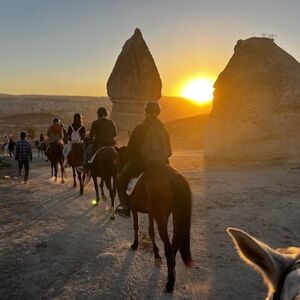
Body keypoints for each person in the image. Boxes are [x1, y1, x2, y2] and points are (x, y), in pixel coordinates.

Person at [116, 101, 172, 217]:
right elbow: (169, 152)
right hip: (162, 164)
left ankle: (125, 207)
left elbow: (131, 151)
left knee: (121, 178)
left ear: (146, 112)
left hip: (143, 164)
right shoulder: (164, 130)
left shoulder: (140, 128)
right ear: (158, 113)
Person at [77, 107, 117, 173]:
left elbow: (91, 136)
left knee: (87, 149)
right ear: (105, 114)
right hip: (110, 144)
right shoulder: (111, 122)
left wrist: (91, 141)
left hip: (99, 144)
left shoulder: (95, 123)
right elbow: (115, 134)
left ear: (98, 114)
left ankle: (84, 166)